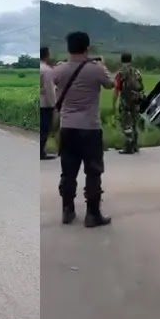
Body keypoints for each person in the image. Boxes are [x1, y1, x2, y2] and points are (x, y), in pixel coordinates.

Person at [53, 31, 114, 228]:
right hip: (90, 128)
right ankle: (92, 215)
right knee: (93, 172)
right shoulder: (95, 69)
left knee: (68, 172)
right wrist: (103, 66)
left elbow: (53, 81)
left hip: (67, 127)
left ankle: (67, 211)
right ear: (87, 48)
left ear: (68, 48)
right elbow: (110, 84)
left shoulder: (59, 70)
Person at [112, 53, 145, 154]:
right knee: (135, 122)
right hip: (136, 100)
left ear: (121, 60)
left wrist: (114, 103)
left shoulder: (121, 73)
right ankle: (135, 146)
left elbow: (117, 89)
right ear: (131, 60)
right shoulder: (137, 72)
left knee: (126, 124)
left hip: (125, 101)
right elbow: (141, 86)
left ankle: (128, 147)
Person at [40, 47, 56, 160]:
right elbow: (49, 89)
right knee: (45, 128)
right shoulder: (47, 70)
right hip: (45, 103)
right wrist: (53, 104)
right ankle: (41, 152)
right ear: (47, 55)